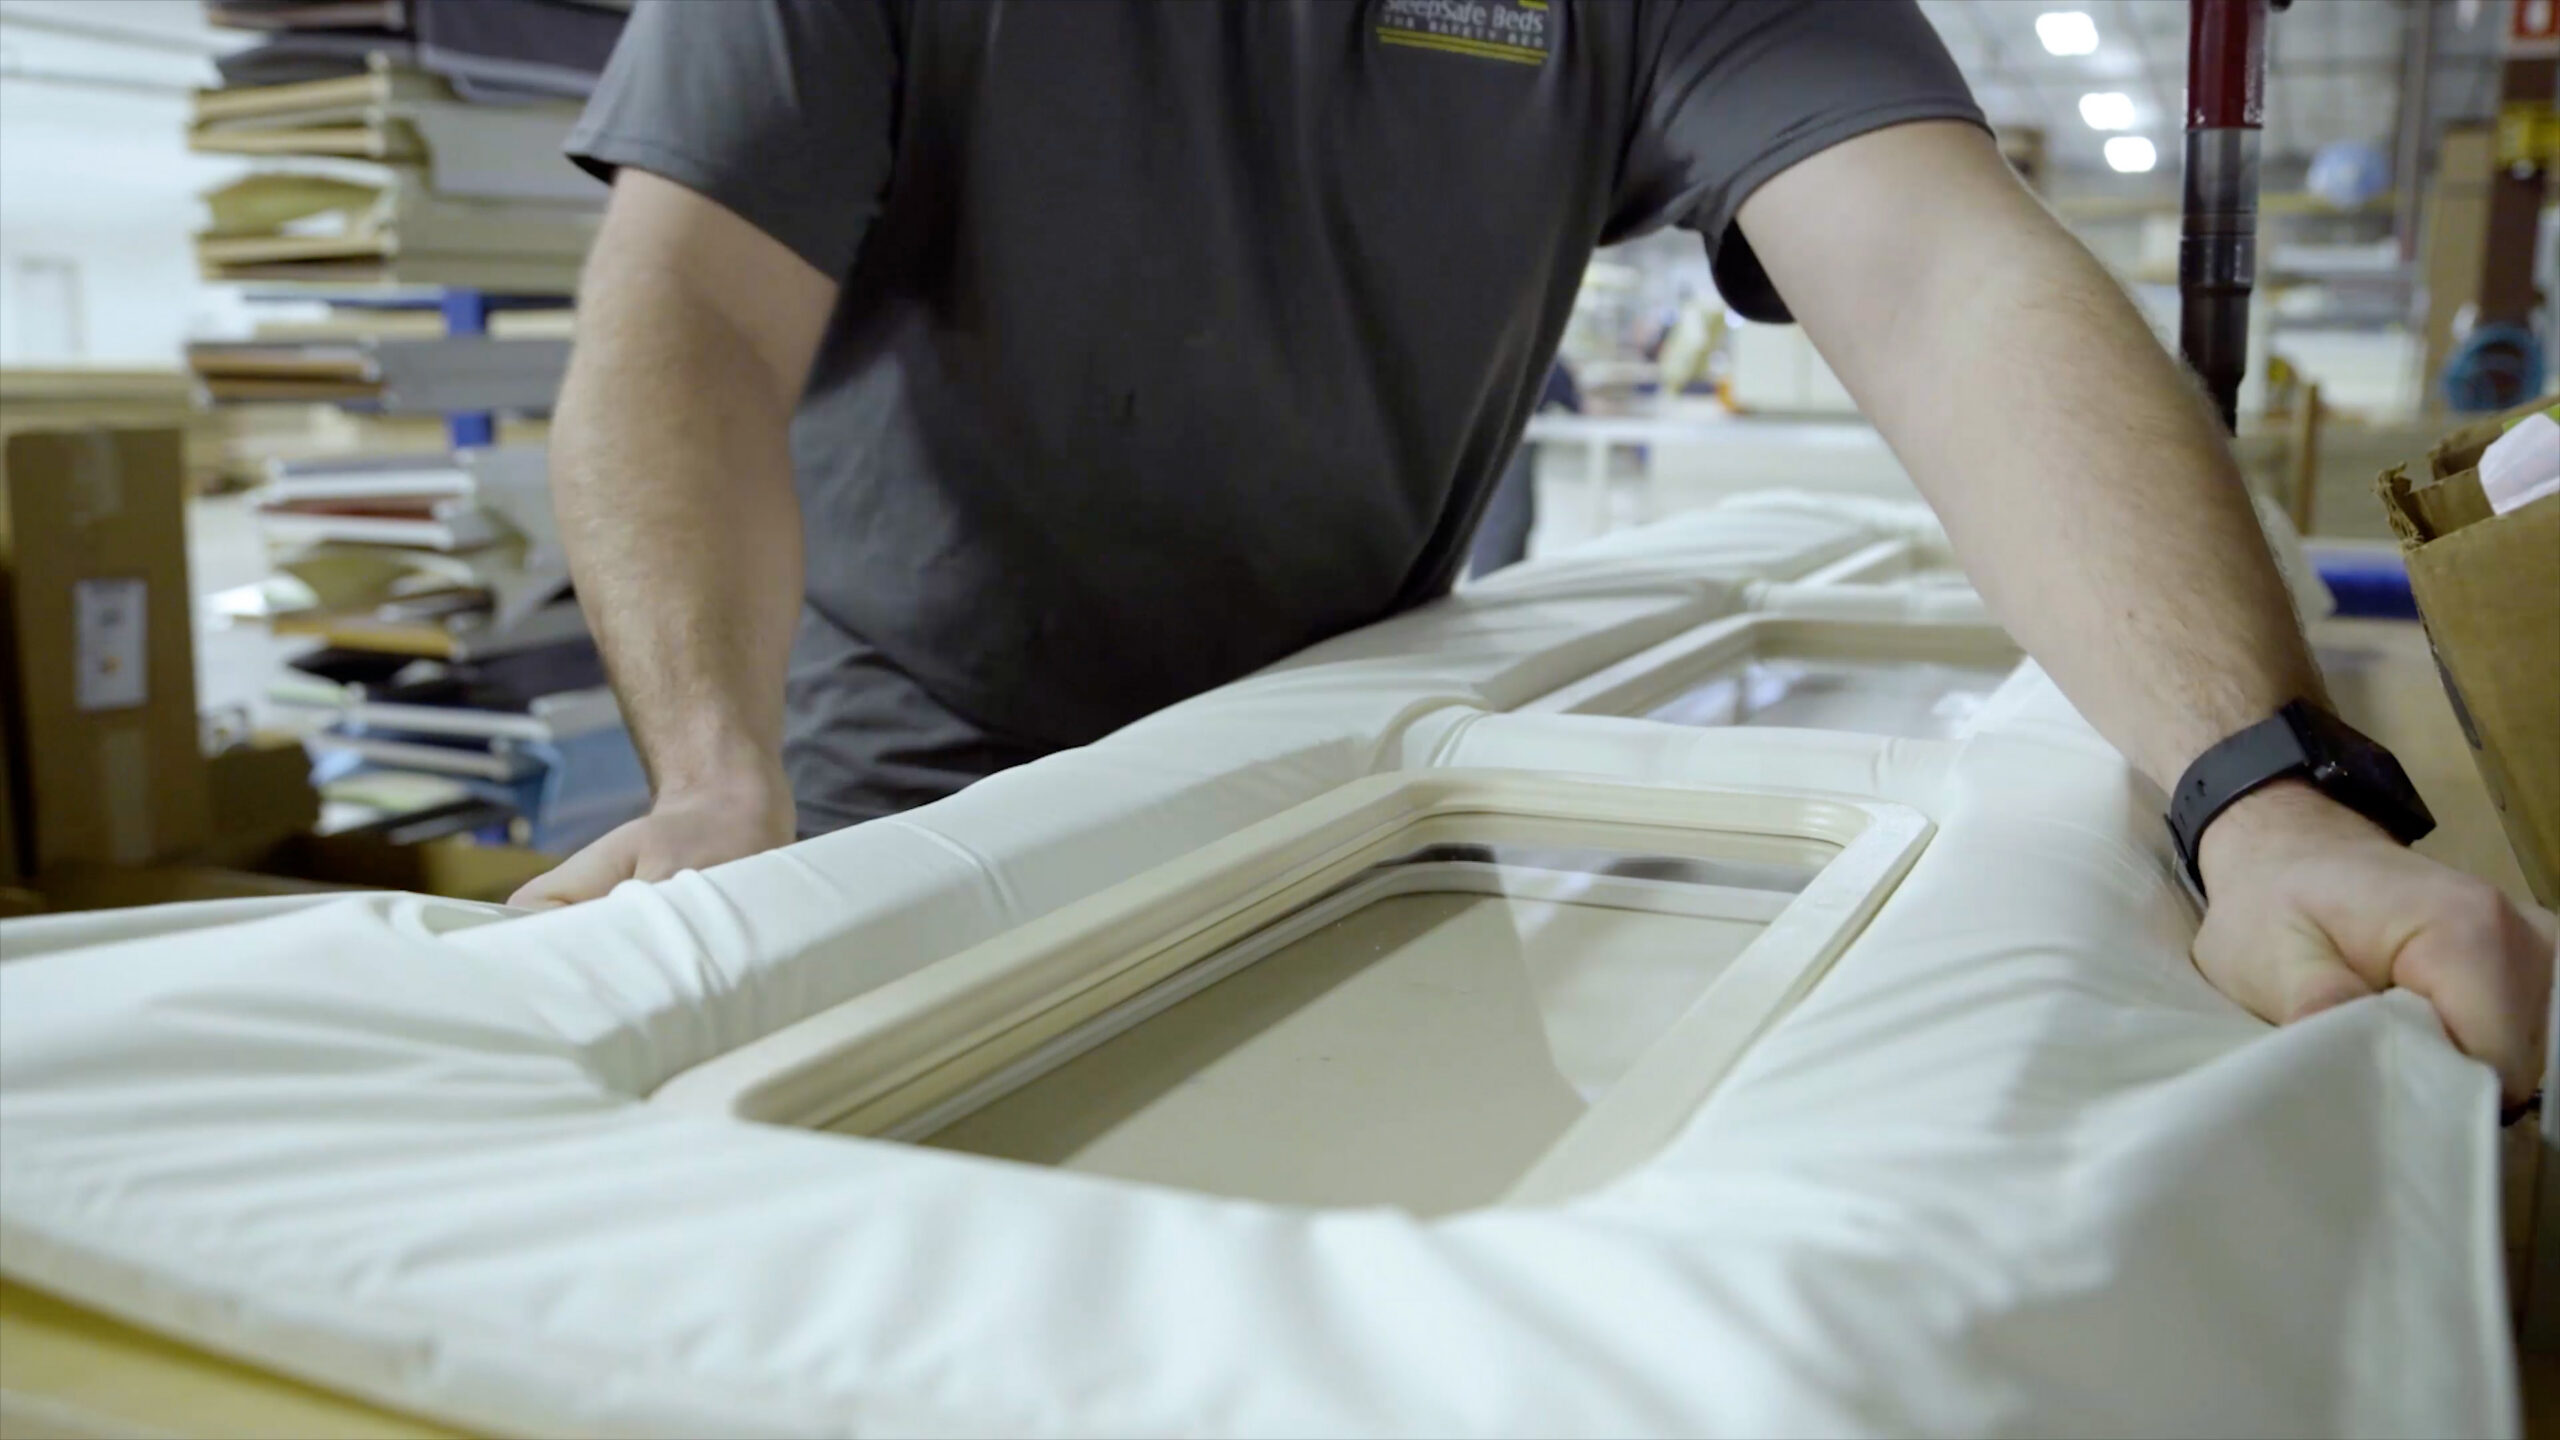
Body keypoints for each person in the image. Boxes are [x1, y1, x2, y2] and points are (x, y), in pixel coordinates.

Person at [513, 0, 2554, 1106]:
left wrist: (2255, 794)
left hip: (1358, 781)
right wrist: (710, 767)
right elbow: (683, 312)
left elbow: (1949, 286)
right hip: (920, 780)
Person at [1469, 360, 1580, 578]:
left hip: (1507, 438)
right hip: (1507, 441)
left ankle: (1499, 583)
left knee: (1511, 519)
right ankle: (1493, 585)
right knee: (1506, 520)